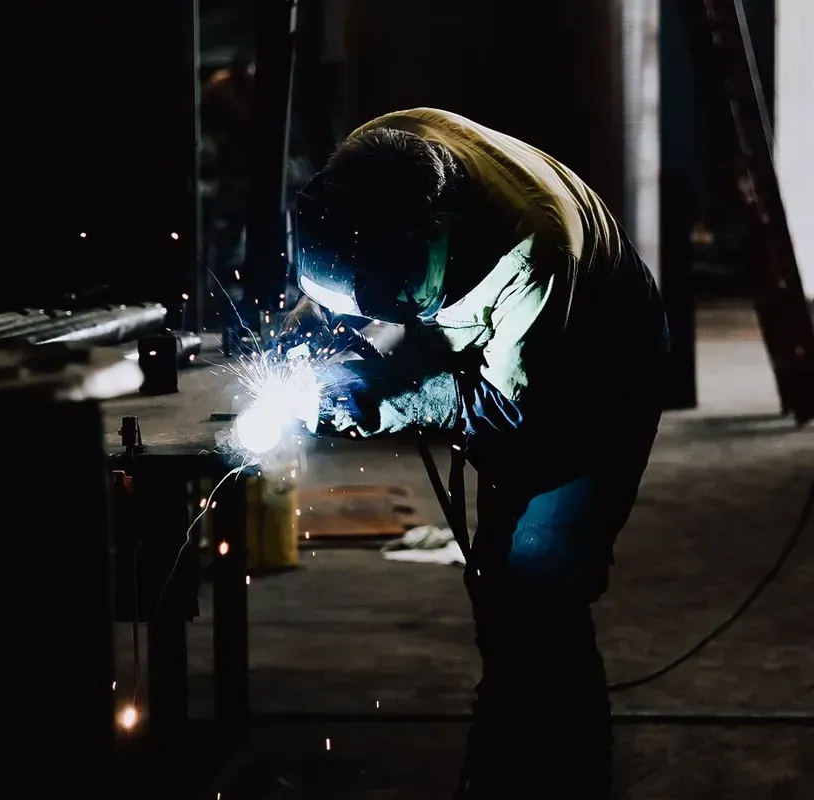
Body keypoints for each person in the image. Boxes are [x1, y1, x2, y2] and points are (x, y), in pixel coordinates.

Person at [280, 108, 670, 799]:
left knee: (544, 573)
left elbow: (505, 408)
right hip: (498, 342)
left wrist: (388, 402)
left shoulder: (534, 253)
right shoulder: (367, 166)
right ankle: (510, 736)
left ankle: (570, 770)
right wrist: (320, 336)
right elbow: (347, 278)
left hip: (596, 361)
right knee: (497, 575)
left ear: (438, 237)